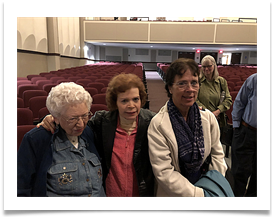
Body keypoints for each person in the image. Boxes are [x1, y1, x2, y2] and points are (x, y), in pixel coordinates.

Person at [40, 73, 155, 197]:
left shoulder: (152, 122)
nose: (131, 105)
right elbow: (75, 122)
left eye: (135, 99)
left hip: (141, 194)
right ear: (115, 102)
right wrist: (51, 118)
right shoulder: (102, 122)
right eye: (124, 100)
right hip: (110, 193)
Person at [147, 58, 227, 197]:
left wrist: (213, 184)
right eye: (182, 83)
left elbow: (218, 155)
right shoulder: (158, 125)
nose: (189, 89)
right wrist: (199, 195)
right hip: (174, 194)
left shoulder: (208, 118)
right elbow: (164, 172)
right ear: (170, 88)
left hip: (207, 188)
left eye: (194, 83)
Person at [18, 82, 106, 197]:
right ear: (56, 117)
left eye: (85, 115)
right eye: (73, 119)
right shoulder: (37, 140)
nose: (80, 124)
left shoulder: (89, 132)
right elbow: (21, 188)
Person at [231, 73, 257, 197]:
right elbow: (239, 103)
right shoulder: (255, 79)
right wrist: (237, 128)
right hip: (248, 132)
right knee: (240, 173)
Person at [196, 55, 232, 128]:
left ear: (214, 66)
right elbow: (194, 99)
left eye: (209, 66)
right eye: (204, 66)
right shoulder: (198, 81)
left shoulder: (221, 81)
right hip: (202, 118)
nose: (206, 69)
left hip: (218, 119)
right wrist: (208, 113)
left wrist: (217, 111)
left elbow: (228, 99)